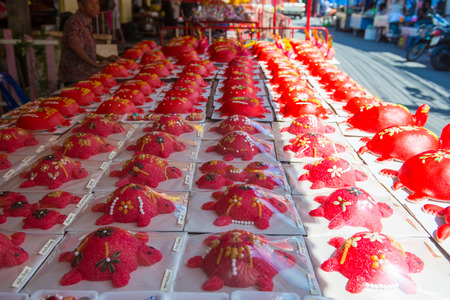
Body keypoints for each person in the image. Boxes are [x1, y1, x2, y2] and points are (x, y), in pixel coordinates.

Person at [58, 0, 118, 86]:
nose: (95, 7)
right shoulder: (75, 21)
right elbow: (74, 45)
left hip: (86, 74)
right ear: (80, 5)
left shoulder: (86, 21)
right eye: (90, 3)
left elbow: (86, 50)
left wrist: (104, 58)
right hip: (76, 77)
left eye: (97, 3)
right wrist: (95, 64)